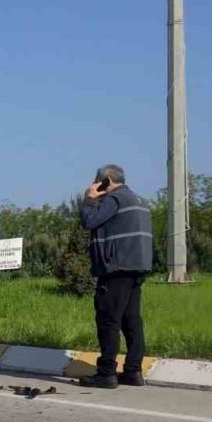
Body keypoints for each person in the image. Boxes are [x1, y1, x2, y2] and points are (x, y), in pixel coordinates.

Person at [79, 164, 154, 388]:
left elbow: (88, 221)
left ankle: (106, 373)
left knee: (108, 319)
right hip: (137, 266)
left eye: (97, 181)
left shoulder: (114, 199)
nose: (94, 185)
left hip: (116, 268)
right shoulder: (138, 200)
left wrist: (89, 198)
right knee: (131, 320)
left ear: (106, 181)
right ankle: (133, 371)